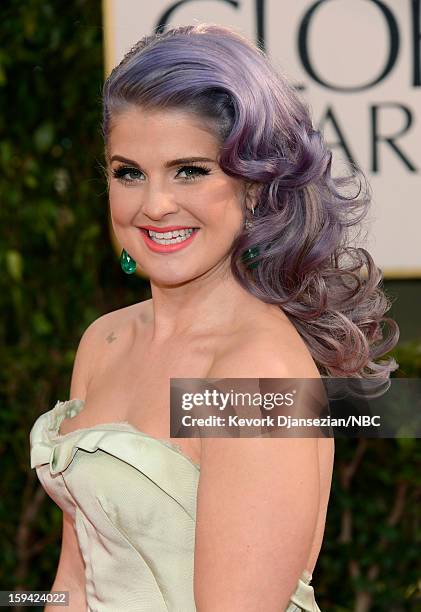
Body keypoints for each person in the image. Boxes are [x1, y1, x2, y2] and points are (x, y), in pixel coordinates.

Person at [29, 23, 399, 611]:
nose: (153, 204)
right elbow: (72, 582)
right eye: (129, 172)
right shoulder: (105, 341)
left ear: (255, 185)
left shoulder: (254, 375)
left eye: (190, 170)